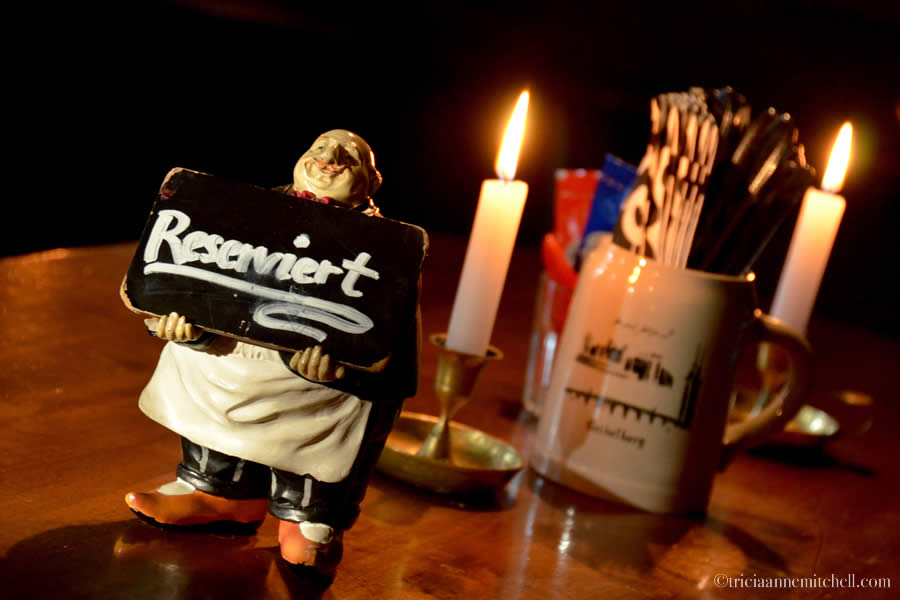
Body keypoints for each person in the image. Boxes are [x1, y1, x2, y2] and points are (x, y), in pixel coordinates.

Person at [125, 130, 420, 577]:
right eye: (320, 149)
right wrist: (190, 330)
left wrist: (341, 372)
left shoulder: (385, 250)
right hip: (236, 357)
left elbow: (387, 348)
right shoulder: (247, 213)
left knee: (327, 427)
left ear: (371, 181)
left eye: (347, 157)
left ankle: (308, 518)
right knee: (202, 369)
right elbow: (201, 284)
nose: (329, 160)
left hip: (318, 381)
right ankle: (220, 492)